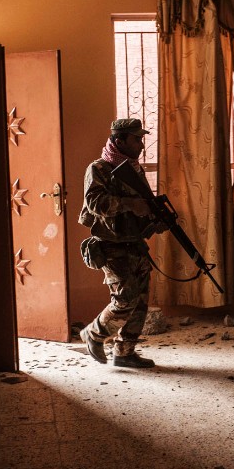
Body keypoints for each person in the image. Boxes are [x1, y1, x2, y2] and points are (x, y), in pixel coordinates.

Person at [77, 118, 168, 368]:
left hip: (134, 243)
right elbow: (94, 203)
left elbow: (142, 206)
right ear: (119, 141)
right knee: (125, 298)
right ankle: (93, 334)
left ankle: (125, 352)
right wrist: (130, 204)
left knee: (140, 301)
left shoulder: (133, 168)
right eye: (136, 139)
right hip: (111, 245)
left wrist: (154, 219)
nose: (141, 143)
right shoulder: (99, 169)